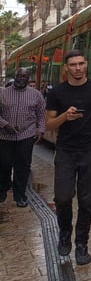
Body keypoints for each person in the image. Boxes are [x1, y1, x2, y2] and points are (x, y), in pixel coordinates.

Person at [45, 49, 91, 266]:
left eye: (81, 64)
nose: (77, 68)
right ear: (66, 67)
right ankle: (65, 232)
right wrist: (65, 116)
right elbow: (49, 125)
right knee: (63, 197)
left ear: (86, 64)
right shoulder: (57, 92)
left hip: (88, 152)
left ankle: (82, 243)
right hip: (65, 151)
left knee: (87, 200)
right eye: (73, 65)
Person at [0, 68, 46, 207]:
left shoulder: (36, 95)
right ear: (15, 77)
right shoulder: (2, 93)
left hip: (26, 136)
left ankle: (20, 196)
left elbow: (41, 114)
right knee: (4, 165)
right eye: (18, 76)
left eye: (24, 76)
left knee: (23, 166)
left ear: (28, 79)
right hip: (4, 136)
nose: (21, 79)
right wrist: (5, 124)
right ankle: (2, 191)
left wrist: (41, 130)